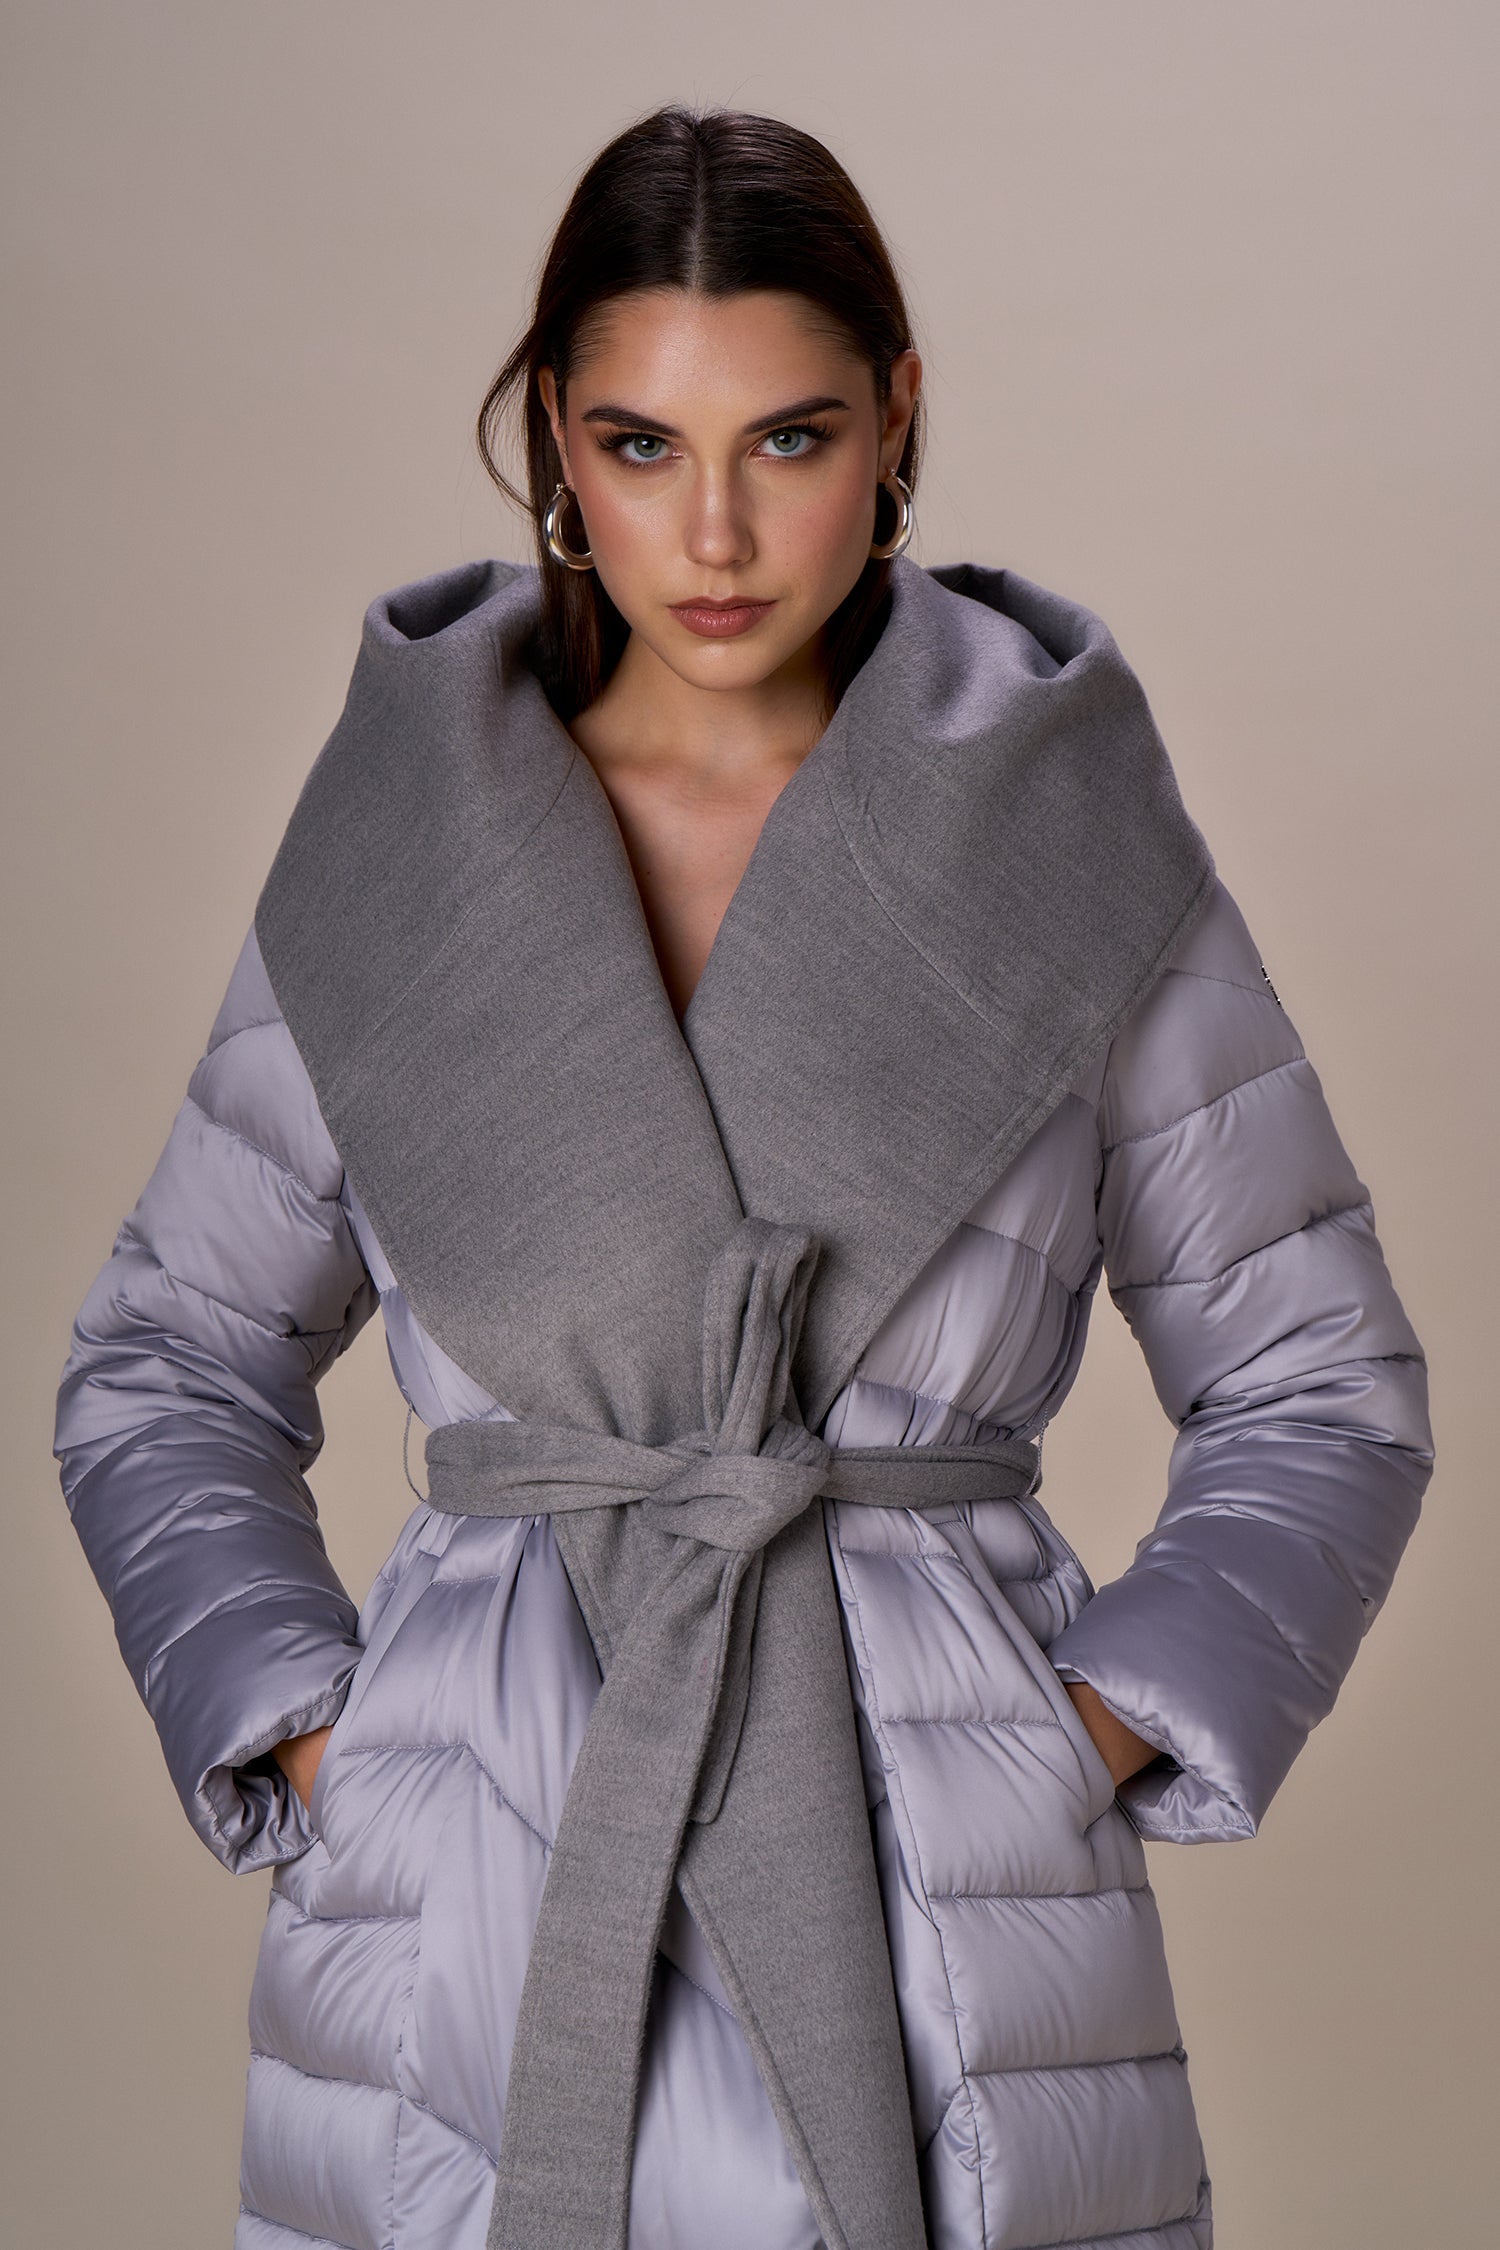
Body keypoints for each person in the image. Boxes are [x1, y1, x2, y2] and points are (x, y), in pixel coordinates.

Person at [53, 105, 1432, 2250]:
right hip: (477, 1881)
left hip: (939, 1887)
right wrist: (335, 1745)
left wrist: (1065, 1743)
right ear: (554, 438)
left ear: (898, 421)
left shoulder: (1065, 844)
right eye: (638, 445)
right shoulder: (406, 848)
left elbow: (1318, 1382)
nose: (713, 533)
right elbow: (165, 1367)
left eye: (789, 439)